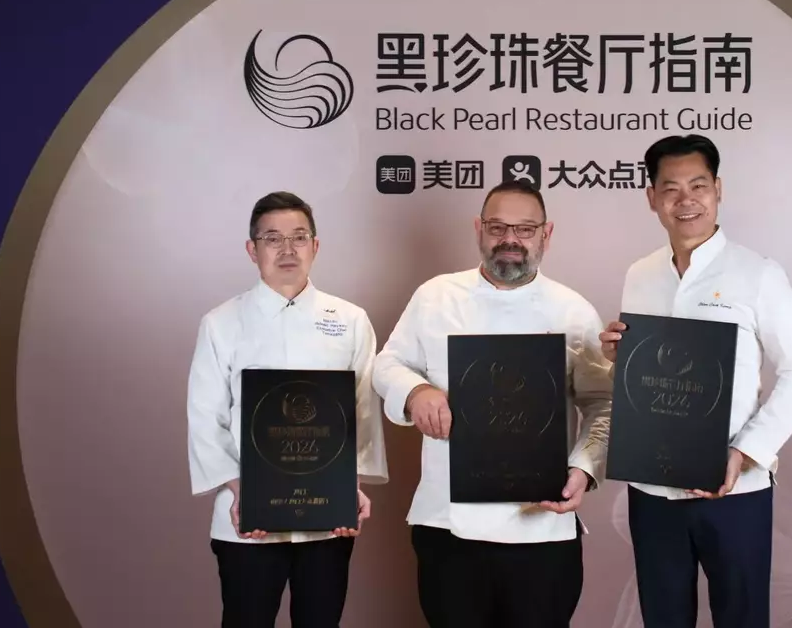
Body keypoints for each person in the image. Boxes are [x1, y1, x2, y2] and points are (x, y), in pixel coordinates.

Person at [600, 135, 792, 628]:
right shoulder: (640, 274)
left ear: (718, 189)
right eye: (671, 188)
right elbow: (650, 376)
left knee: (741, 618)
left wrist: (745, 451)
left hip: (735, 488)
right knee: (663, 618)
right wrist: (620, 358)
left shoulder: (758, 274)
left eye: (698, 185)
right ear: (651, 197)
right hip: (652, 488)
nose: (686, 200)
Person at [372, 180, 613, 628]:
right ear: (479, 229)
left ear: (546, 234)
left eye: (525, 229)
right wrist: (416, 392)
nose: (510, 239)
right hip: (448, 523)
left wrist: (583, 468)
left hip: (542, 526)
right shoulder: (436, 296)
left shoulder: (573, 311)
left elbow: (603, 404)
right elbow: (387, 364)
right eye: (498, 227)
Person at [186, 191, 388, 628]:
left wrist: (348, 486)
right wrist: (242, 491)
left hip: (327, 517)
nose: (287, 249)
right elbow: (206, 417)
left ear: (315, 246)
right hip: (248, 516)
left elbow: (362, 412)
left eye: (299, 237)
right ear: (252, 249)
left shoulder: (350, 320)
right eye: (272, 238)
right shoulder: (221, 322)